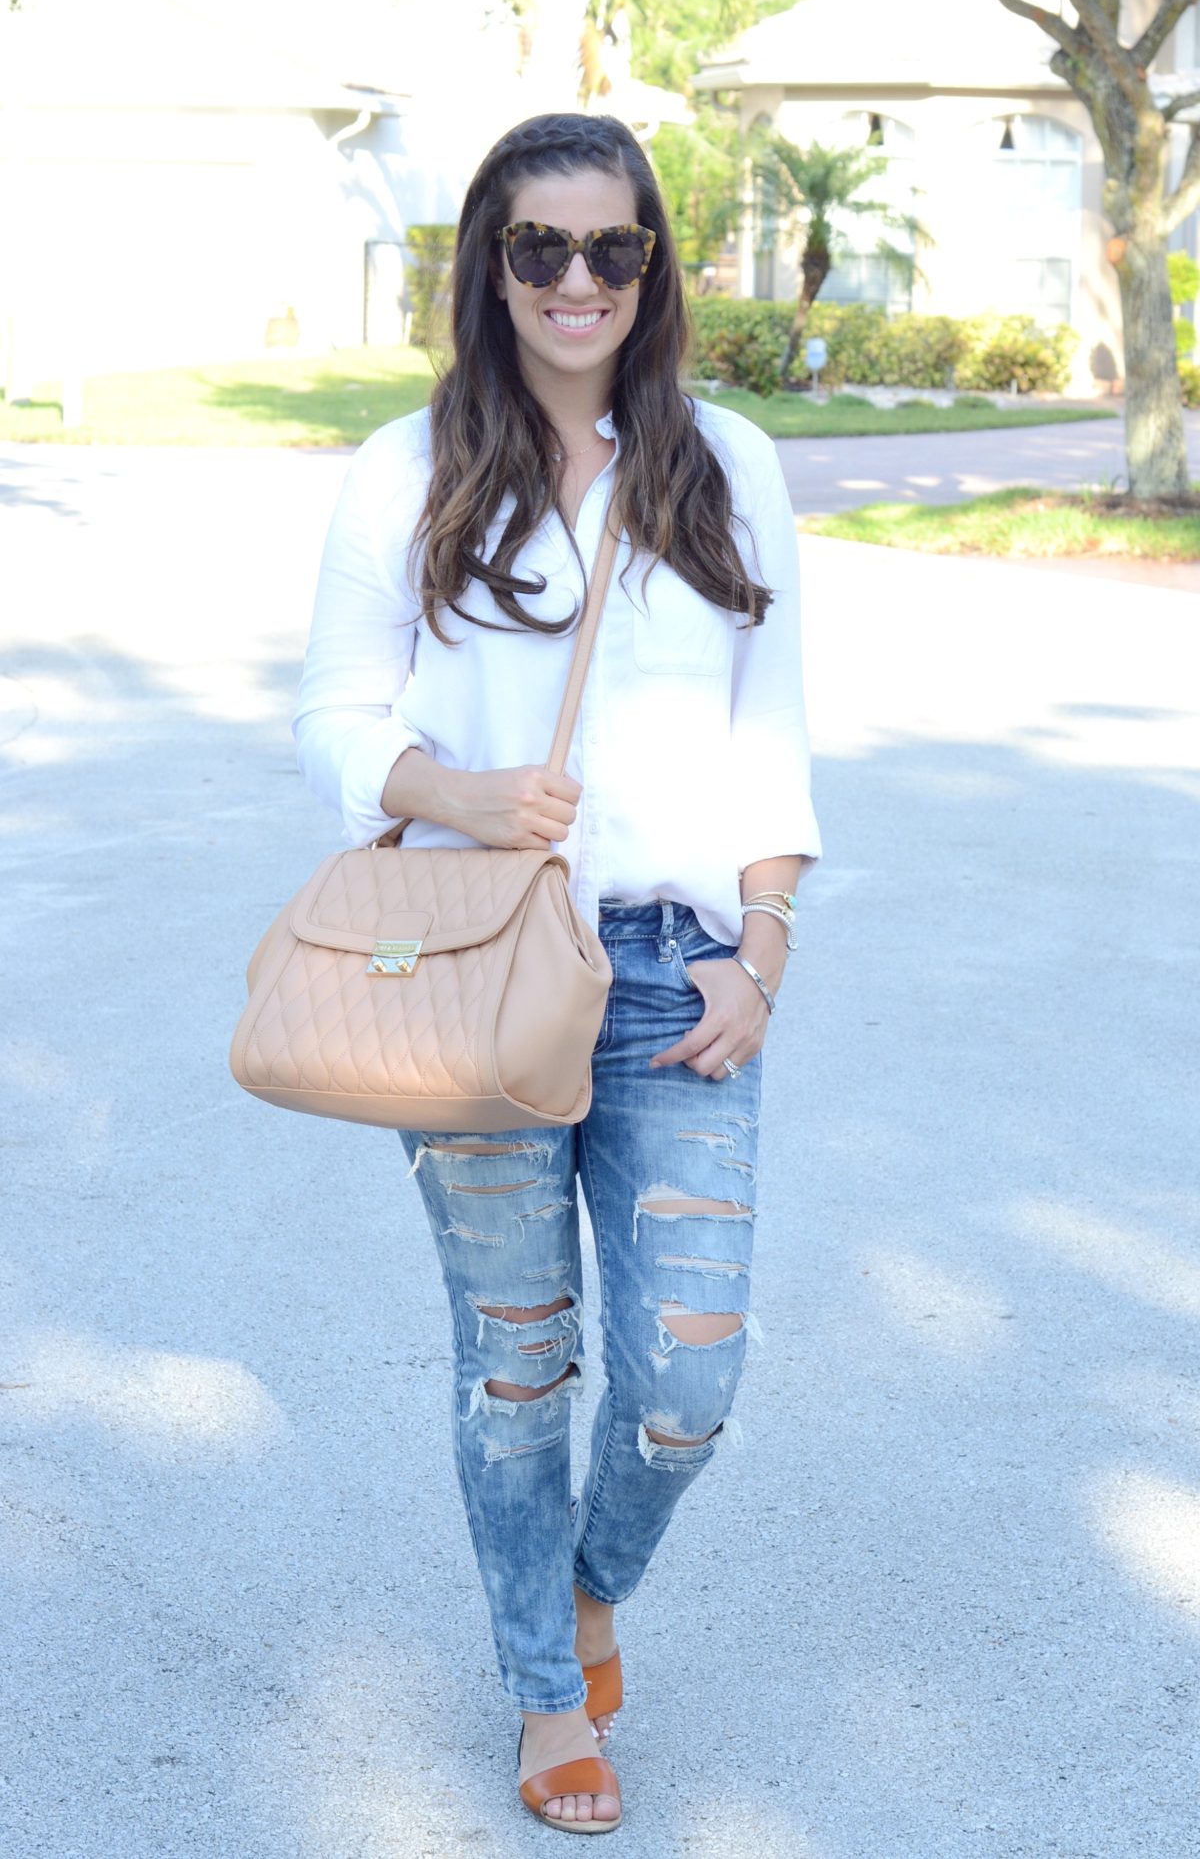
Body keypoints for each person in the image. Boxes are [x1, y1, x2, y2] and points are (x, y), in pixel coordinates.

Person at [291, 111, 821, 1835]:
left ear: (653, 266)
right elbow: (332, 714)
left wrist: (769, 939)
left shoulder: (728, 462)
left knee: (687, 1376)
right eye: (539, 248)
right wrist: (448, 789)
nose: (576, 281)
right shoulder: (409, 464)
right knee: (519, 1361)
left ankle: (586, 1591)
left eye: (611, 249)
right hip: (476, 974)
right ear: (489, 264)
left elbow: (773, 721)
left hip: (680, 968)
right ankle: (545, 1691)